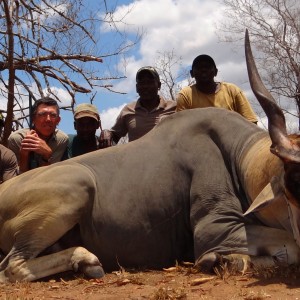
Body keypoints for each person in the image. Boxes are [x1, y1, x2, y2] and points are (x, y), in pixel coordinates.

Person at [99, 66, 176, 147]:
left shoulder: (174, 107)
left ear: (159, 85)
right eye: (141, 83)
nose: (145, 86)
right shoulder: (128, 110)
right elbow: (114, 135)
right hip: (135, 159)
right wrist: (107, 133)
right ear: (136, 88)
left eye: (150, 82)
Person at [176, 54, 258, 123]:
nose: (203, 70)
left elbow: (251, 121)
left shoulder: (232, 90)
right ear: (192, 74)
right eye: (198, 68)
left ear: (216, 72)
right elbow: (181, 127)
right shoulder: (185, 95)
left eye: (207, 67)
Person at [8, 97, 68, 173]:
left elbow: (50, 175)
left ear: (58, 120)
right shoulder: (17, 138)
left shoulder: (61, 139)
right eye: (42, 114)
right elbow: (17, 177)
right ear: (33, 118)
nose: (48, 119)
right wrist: (24, 155)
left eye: (53, 115)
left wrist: (47, 155)